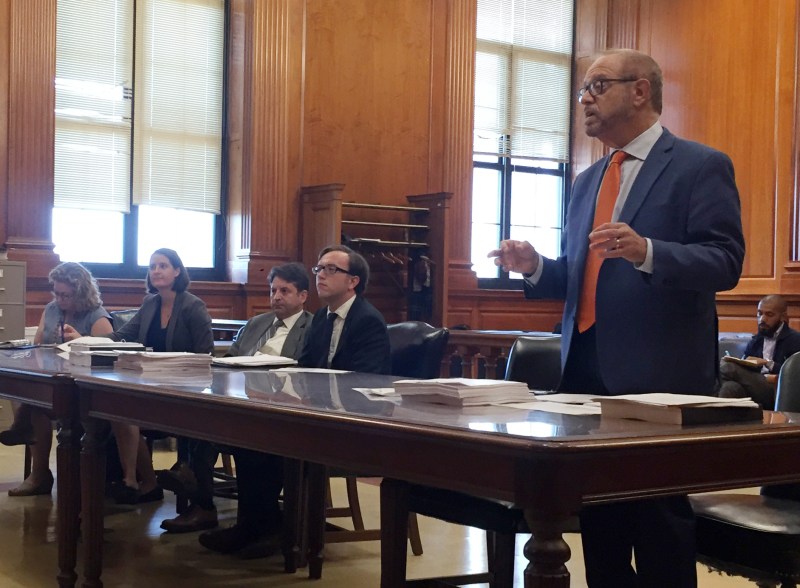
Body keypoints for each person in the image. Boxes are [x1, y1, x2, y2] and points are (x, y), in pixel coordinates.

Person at [488, 49, 745, 587]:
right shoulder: (587, 180)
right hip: (584, 369)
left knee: (658, 524)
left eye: (597, 86)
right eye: (583, 89)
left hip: (660, 375)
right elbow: (582, 277)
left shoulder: (699, 165)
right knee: (600, 521)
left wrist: (648, 250)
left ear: (640, 90)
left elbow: (725, 262)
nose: (584, 99)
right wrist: (535, 267)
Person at [198, 245, 390, 558]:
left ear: (353, 281)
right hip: (319, 414)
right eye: (319, 269)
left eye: (331, 269)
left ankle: (268, 528)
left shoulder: (367, 320)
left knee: (268, 445)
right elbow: (306, 369)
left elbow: (365, 381)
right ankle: (257, 526)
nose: (321, 275)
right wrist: (283, 393)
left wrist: (309, 398)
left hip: (352, 422)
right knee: (250, 440)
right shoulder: (323, 319)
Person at [158, 262, 313, 535]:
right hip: (241, 397)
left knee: (216, 428)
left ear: (302, 296)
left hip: (278, 405)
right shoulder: (256, 323)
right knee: (197, 413)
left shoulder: (311, 328)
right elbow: (229, 360)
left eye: (285, 291)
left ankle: (196, 486)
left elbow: (307, 371)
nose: (276, 296)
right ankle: (197, 492)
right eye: (273, 290)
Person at [107, 248, 214, 506]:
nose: (156, 271)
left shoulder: (193, 306)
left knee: (127, 410)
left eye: (163, 266)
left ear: (177, 271)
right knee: (118, 410)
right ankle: (136, 481)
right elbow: (122, 336)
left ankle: (149, 481)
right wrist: (86, 340)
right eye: (152, 266)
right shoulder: (150, 303)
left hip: (185, 389)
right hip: (150, 386)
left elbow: (206, 354)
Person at [0, 262, 113, 496]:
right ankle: (39, 472)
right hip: (56, 382)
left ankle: (24, 432)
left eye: (66, 295)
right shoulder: (51, 309)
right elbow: (38, 344)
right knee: (29, 398)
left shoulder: (97, 316)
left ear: (80, 292)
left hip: (84, 390)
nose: (60, 299)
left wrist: (80, 340)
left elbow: (108, 357)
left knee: (34, 406)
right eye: (57, 293)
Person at [719, 295, 800, 409]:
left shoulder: (795, 340)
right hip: (754, 385)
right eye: (759, 313)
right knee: (730, 387)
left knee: (727, 368)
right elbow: (746, 366)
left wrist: (768, 363)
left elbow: (793, 376)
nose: (762, 319)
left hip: (777, 389)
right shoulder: (756, 340)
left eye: (769, 315)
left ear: (782, 317)